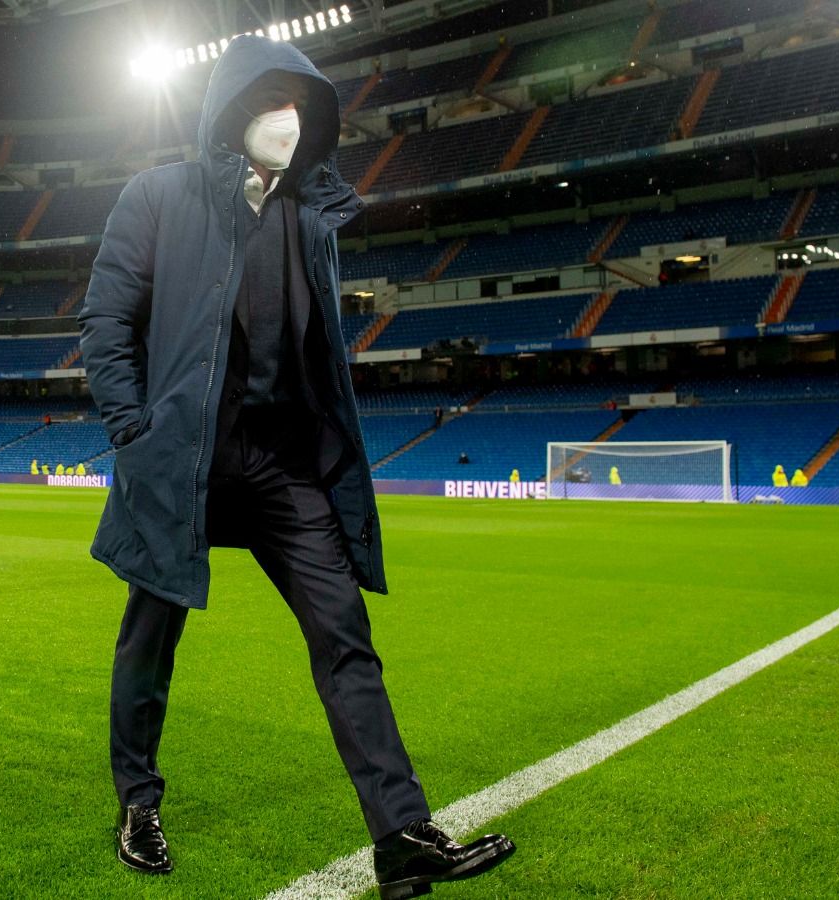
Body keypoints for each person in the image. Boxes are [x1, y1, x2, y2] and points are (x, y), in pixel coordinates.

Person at [77, 36, 513, 897]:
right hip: (182, 461)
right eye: (274, 101)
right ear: (233, 109)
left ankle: (400, 834)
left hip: (283, 466)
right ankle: (137, 801)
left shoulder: (311, 221)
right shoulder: (157, 196)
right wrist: (137, 434)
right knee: (150, 640)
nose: (293, 118)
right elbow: (106, 324)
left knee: (345, 637)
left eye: (305, 105)